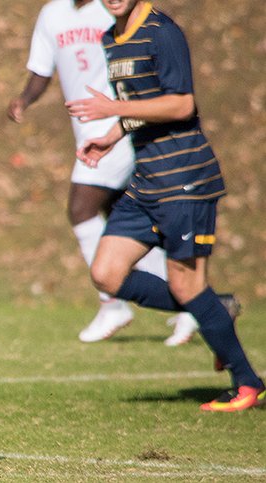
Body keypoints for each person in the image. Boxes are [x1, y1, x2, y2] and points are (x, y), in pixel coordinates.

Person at [69, 0, 264, 411]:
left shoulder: (162, 32)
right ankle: (216, 308)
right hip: (147, 182)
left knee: (186, 285)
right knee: (106, 273)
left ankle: (247, 383)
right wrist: (111, 135)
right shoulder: (112, 38)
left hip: (186, 179)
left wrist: (114, 109)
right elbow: (144, 105)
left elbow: (180, 105)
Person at [7, 0, 198, 345]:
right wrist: (23, 100)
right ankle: (190, 302)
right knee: (125, 225)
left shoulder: (113, 10)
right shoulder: (53, 13)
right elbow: (41, 69)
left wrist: (123, 111)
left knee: (81, 208)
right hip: (89, 132)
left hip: (118, 126)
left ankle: (113, 304)